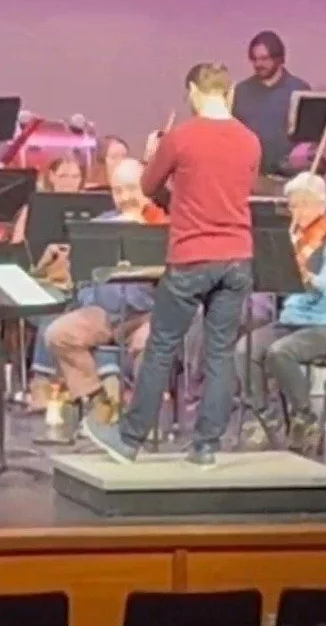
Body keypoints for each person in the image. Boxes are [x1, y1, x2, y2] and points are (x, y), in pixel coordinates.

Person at [83, 62, 260, 465]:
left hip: (192, 256)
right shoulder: (250, 140)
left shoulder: (181, 137)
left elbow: (147, 187)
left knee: (161, 347)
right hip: (237, 256)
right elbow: (238, 188)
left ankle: (129, 440)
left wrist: (154, 159)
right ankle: (206, 446)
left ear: (194, 91)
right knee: (219, 353)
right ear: (229, 93)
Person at [237, 172, 326, 453]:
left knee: (281, 352)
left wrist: (301, 272)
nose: (297, 212)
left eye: (303, 204)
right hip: (293, 320)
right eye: (293, 205)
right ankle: (266, 418)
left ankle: (305, 418)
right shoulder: (294, 240)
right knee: (245, 349)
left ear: (320, 204)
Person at [43, 159, 160, 417]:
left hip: (147, 315)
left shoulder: (163, 225)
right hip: (104, 313)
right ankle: (99, 402)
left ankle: (143, 415)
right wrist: (91, 300)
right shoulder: (98, 228)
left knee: (151, 345)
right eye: (118, 191)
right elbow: (82, 278)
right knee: (58, 333)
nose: (125, 197)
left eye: (131, 188)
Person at [232, 30, 311, 177]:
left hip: (289, 176)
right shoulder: (241, 91)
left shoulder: (299, 90)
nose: (258, 64)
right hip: (251, 174)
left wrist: (301, 153)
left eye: (264, 59)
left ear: (279, 58)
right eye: (254, 59)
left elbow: (311, 136)